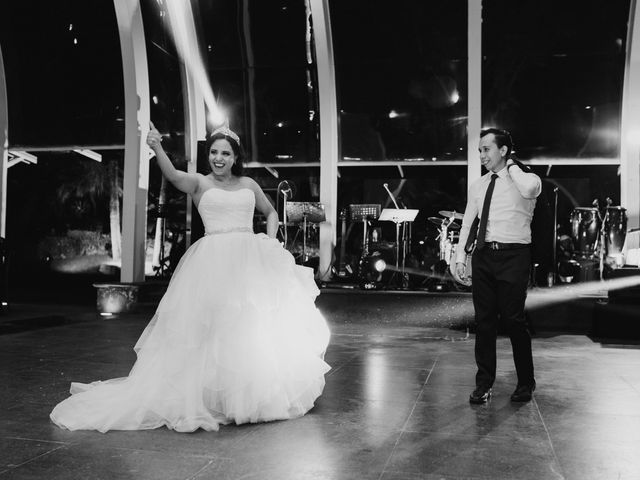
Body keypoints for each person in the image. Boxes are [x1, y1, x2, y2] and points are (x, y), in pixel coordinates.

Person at [50, 123, 331, 432]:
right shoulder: (199, 182)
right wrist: (156, 146)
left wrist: (270, 238)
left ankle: (248, 396)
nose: (219, 158)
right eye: (214, 152)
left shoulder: (249, 184)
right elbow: (171, 175)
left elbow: (271, 212)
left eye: (225, 153)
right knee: (213, 329)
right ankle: (211, 398)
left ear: (236, 156)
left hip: (249, 259)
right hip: (212, 262)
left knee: (250, 327)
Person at [455, 128, 541, 404]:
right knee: (484, 323)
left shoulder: (526, 179)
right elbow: (469, 223)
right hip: (484, 257)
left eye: (486, 149)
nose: (481, 155)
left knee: (514, 321)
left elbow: (529, 190)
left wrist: (512, 167)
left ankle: (526, 383)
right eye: (479, 150)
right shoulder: (479, 185)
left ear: (503, 150)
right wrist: (459, 257)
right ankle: (484, 384)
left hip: (514, 256)